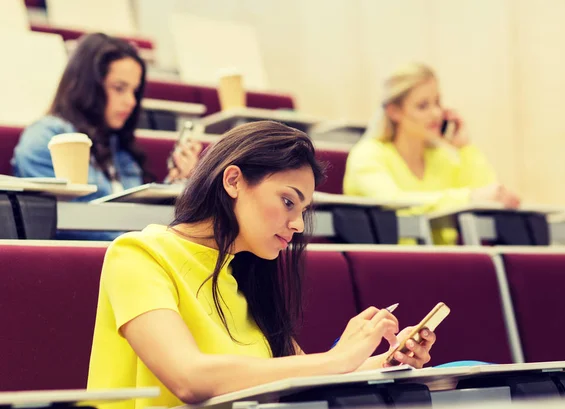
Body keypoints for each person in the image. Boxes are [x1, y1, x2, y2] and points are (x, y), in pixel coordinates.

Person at [87, 121, 437, 409]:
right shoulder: (137, 254)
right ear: (233, 180)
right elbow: (190, 379)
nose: (298, 225)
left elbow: (294, 373)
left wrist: (389, 361)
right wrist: (338, 358)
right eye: (288, 201)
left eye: (302, 211)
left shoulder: (244, 273)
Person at [11, 33, 201, 239]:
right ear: (88, 86)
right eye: (119, 88)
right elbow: (69, 222)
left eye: (134, 92)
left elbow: (133, 213)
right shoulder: (46, 139)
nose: (131, 102)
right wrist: (151, 240)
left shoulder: (117, 143)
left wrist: (179, 181)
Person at [343, 63, 520, 244]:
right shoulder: (367, 155)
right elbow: (393, 202)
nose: (436, 113)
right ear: (394, 111)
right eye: (422, 106)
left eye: (438, 102)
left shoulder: (443, 158)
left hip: (443, 266)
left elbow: (490, 195)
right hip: (388, 266)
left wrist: (465, 148)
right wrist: (468, 198)